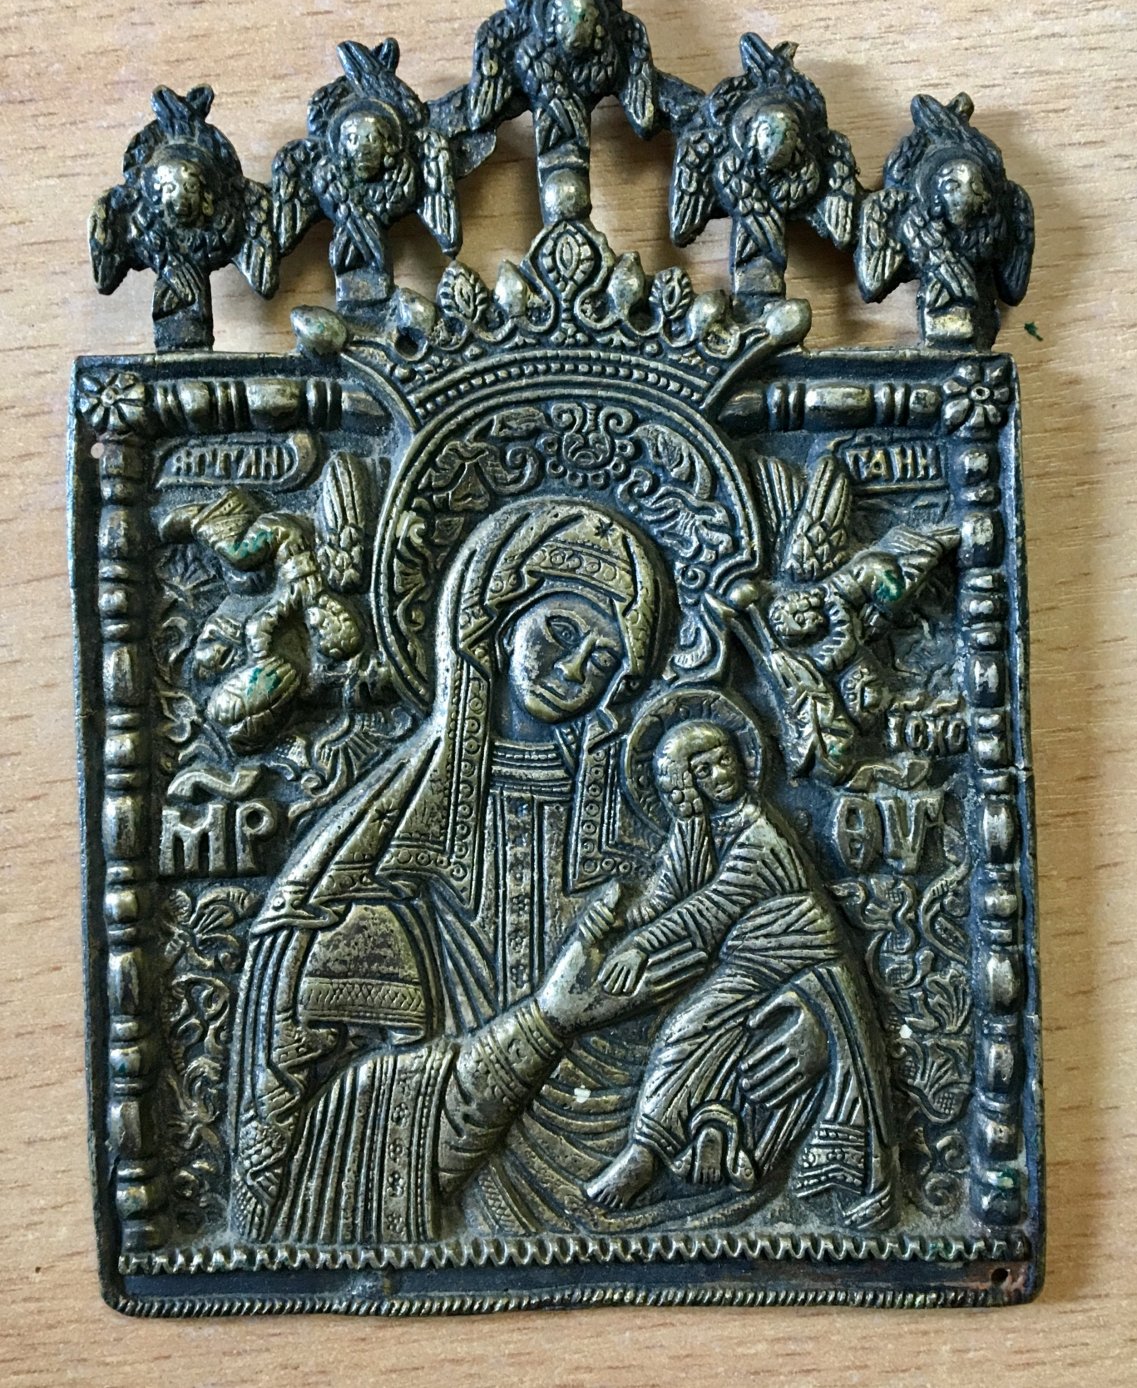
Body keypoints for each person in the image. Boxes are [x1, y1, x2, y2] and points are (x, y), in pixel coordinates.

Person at [228, 498, 673, 1244]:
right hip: (442, 1195)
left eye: (601, 661)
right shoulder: (387, 859)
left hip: (637, 1192)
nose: (572, 671)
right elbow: (332, 1114)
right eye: (561, 631)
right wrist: (549, 1019)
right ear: (494, 624)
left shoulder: (635, 830)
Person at [586, 716, 898, 1230]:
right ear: (686, 785)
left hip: (796, 958)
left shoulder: (760, 835)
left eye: (725, 759)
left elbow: (711, 907)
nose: (720, 773)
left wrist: (641, 946)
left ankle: (647, 1154)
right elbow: (670, 891)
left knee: (689, 1029)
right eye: (703, 769)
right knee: (696, 1030)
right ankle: (706, 1135)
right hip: (752, 960)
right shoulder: (703, 829)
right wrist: (621, 916)